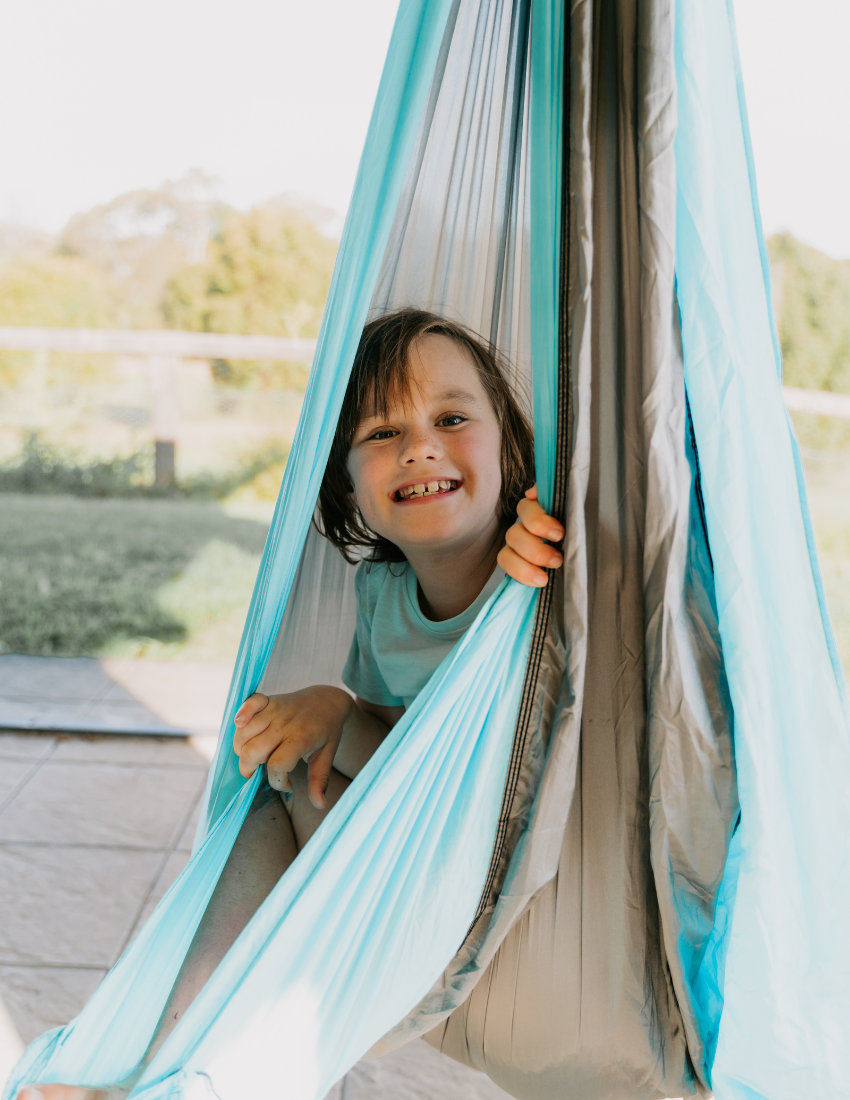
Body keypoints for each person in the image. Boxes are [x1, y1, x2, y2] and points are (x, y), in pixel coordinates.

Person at [19, 309, 564, 1100]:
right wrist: (335, 711)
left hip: (492, 896)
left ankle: (209, 1080)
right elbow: (400, 767)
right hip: (399, 871)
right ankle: (155, 1063)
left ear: (512, 451)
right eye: (381, 433)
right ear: (346, 481)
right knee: (271, 787)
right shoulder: (383, 600)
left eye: (451, 418)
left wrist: (553, 550)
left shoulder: (544, 569)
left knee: (297, 821)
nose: (419, 445)